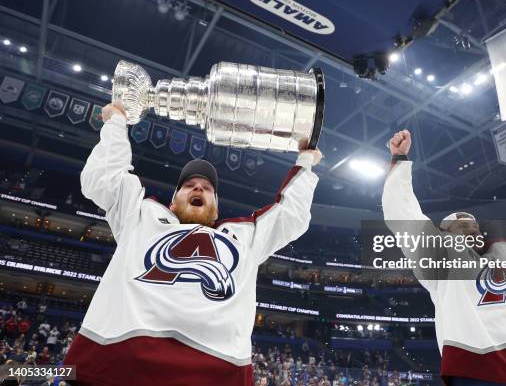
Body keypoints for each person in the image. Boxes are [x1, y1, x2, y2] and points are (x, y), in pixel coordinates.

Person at [64, 102, 321, 385]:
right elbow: (103, 179)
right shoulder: (140, 215)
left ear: (215, 210)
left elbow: (291, 216)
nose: (198, 188)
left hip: (214, 373)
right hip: (112, 366)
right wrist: (115, 123)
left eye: (207, 188)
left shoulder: (243, 236)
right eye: (188, 185)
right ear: (173, 203)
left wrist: (305, 161)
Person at [382, 130, 506, 385]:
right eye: (461, 225)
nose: (470, 228)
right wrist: (399, 159)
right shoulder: (438, 256)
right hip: (477, 368)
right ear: (442, 232)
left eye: (473, 225)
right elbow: (402, 213)